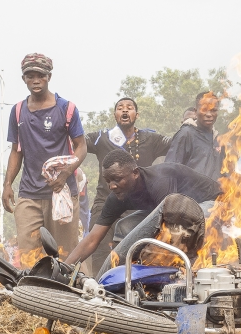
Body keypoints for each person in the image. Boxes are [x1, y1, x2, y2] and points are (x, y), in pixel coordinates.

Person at [64, 151, 222, 275]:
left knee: (179, 231)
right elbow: (92, 239)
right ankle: (124, 274)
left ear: (135, 173)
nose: (112, 186)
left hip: (213, 204)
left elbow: (172, 226)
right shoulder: (117, 196)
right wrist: (65, 267)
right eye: (108, 181)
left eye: (117, 179)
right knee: (124, 226)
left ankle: (183, 273)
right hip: (175, 212)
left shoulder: (160, 181)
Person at [2, 54, 87, 267]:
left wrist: (66, 174)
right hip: (29, 194)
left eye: (40, 75)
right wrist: (7, 184)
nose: (35, 80)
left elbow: (81, 147)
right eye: (30, 76)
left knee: (65, 254)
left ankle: (67, 297)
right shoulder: (18, 111)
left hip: (61, 192)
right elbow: (16, 151)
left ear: (48, 76)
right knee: (30, 256)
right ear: (24, 79)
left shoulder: (66, 109)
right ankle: (34, 296)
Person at [84, 98, 170, 269]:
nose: (124, 111)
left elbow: (175, 145)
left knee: (136, 251)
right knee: (100, 250)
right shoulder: (102, 137)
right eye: (120, 108)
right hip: (105, 203)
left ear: (136, 115)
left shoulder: (150, 138)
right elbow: (78, 142)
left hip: (137, 205)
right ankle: (99, 286)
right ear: (115, 115)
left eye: (129, 108)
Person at [166, 91, 223, 180]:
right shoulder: (185, 134)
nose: (209, 114)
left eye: (213, 110)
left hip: (215, 193)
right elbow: (169, 171)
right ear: (196, 112)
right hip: (188, 193)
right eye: (204, 109)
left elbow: (224, 171)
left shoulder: (219, 140)